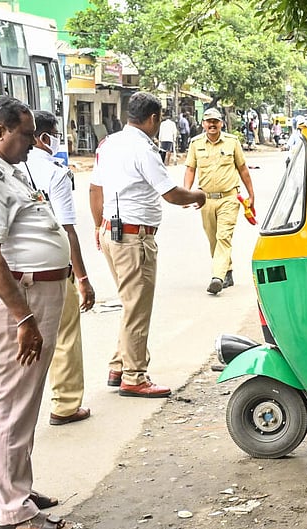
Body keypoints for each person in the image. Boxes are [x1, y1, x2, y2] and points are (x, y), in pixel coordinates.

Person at [0, 96, 76, 529]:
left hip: (31, 295)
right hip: (19, 302)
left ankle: (7, 491)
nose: (33, 143)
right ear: (0, 131)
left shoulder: (4, 169)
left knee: (17, 403)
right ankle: (12, 508)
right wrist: (24, 319)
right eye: (26, 135)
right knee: (11, 406)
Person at [90, 92, 206, 398]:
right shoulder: (143, 148)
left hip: (111, 231)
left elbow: (95, 188)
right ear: (153, 118)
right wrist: (198, 196)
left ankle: (119, 364)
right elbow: (170, 193)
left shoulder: (109, 143)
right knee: (137, 307)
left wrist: (97, 224)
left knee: (131, 304)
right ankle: (134, 375)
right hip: (133, 237)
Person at [22, 110, 94, 426]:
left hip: (12, 271)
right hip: (51, 269)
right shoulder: (55, 172)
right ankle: (65, 404)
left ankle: (0, 403)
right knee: (64, 335)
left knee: (15, 335)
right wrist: (83, 278)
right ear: (45, 137)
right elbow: (68, 229)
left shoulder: (8, 168)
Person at [183, 107, 255, 294]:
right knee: (213, 239)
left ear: (221, 123)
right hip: (205, 200)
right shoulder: (195, 143)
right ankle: (227, 271)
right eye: (209, 121)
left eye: (216, 121)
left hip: (229, 198)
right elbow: (190, 169)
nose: (212, 124)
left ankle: (218, 277)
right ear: (203, 124)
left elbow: (243, 168)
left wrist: (251, 194)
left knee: (224, 237)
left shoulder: (232, 142)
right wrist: (185, 193)